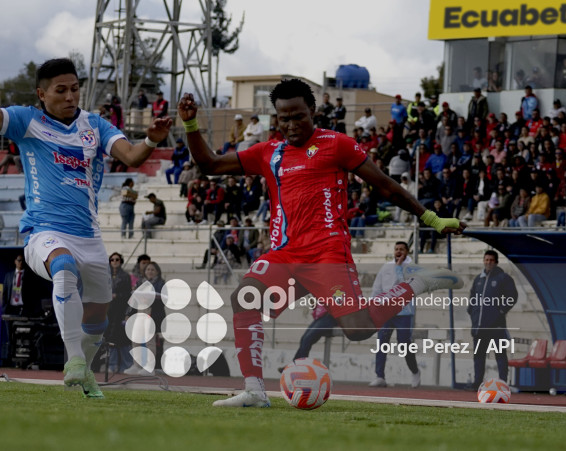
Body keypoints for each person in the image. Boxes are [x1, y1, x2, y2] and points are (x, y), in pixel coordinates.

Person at [178, 78, 465, 407]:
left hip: (328, 254)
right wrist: (190, 123)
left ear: (313, 110)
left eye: (298, 116)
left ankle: (415, 284)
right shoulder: (268, 152)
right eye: (283, 118)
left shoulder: (336, 144)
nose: (291, 124)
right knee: (245, 297)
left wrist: (430, 219)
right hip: (286, 255)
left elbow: (384, 186)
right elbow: (210, 164)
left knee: (356, 329)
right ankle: (255, 391)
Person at [0, 37, 172, 398]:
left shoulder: (95, 125)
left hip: (89, 236)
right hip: (43, 230)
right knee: (63, 269)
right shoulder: (27, 121)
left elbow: (133, 157)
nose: (71, 96)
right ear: (42, 95)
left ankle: (84, 372)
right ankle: (73, 360)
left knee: (99, 318)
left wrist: (151, 140)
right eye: (62, 90)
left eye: (75, 89)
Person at [369, 241, 421, 388]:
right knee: (382, 343)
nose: (398, 252)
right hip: (386, 312)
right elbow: (377, 288)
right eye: (396, 249)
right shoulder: (386, 267)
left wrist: (399, 268)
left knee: (404, 344)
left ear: (407, 252)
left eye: (402, 249)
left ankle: (415, 371)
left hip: (404, 312)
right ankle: (380, 376)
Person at [468, 250, 518, 388]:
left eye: (491, 260)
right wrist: (472, 313)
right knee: (479, 356)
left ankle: (503, 382)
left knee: (500, 355)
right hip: (479, 326)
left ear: (496, 262)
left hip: (496, 326)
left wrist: (500, 311)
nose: (488, 262)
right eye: (486, 259)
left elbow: (512, 296)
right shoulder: (478, 279)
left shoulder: (503, 278)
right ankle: (477, 382)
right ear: (483, 261)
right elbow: (472, 298)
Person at [104, 252, 134, 373]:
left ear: (121, 261)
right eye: (112, 260)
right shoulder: (106, 275)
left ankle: (126, 365)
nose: (114, 262)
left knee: (122, 339)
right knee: (109, 338)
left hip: (120, 310)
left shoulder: (125, 276)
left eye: (117, 260)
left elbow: (128, 294)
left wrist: (117, 295)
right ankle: (112, 365)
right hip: (108, 310)